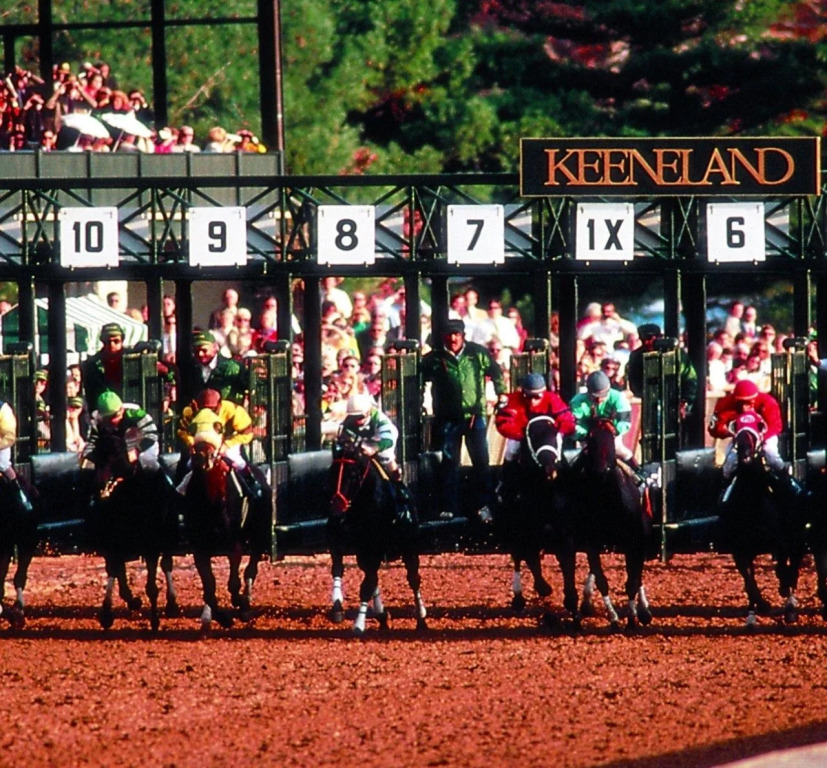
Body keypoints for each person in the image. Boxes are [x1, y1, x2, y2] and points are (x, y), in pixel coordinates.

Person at [421, 318, 507, 520]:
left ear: (463, 336)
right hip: (448, 418)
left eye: (456, 334)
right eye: (449, 335)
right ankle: (449, 508)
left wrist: (502, 393)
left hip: (474, 417)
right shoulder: (434, 359)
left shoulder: (477, 353)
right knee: (449, 463)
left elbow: (496, 372)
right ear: (443, 337)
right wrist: (418, 403)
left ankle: (485, 506)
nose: (453, 339)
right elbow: (419, 381)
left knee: (481, 462)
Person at [494, 372, 576, 520]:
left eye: (537, 397)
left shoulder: (552, 399)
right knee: (511, 449)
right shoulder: (513, 400)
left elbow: (568, 420)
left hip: (546, 437)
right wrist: (522, 435)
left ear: (544, 393)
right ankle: (505, 481)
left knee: (557, 447)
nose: (532, 401)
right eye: (528, 396)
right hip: (522, 434)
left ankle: (566, 483)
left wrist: (559, 431)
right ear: (523, 393)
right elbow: (503, 423)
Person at [708, 379, 798, 496]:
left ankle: (785, 476)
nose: (744, 407)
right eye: (741, 403)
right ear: (735, 399)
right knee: (730, 462)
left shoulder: (768, 402)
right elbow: (714, 428)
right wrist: (727, 431)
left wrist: (760, 438)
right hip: (741, 438)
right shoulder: (726, 403)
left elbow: (776, 426)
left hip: (764, 436)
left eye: (748, 403)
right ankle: (723, 488)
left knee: (770, 453)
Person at [176, 388, 263, 498]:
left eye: (211, 408)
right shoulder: (191, 411)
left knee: (235, 459)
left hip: (228, 441)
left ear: (219, 405)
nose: (207, 412)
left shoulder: (233, 411)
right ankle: (180, 491)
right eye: (203, 408)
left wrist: (227, 444)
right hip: (202, 445)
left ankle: (251, 484)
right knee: (189, 464)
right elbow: (182, 431)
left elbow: (247, 432)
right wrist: (190, 443)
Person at [569, 370, 647, 483]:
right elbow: (574, 426)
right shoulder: (577, 402)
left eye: (602, 396)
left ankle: (638, 471)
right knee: (586, 453)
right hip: (589, 436)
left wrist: (614, 431)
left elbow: (624, 422)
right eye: (595, 397)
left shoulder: (618, 398)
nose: (599, 400)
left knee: (619, 449)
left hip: (612, 434)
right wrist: (586, 434)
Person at [626, 324, 698, 420]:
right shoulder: (636, 356)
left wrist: (685, 402)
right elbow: (634, 382)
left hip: (676, 401)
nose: (647, 342)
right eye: (644, 340)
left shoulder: (676, 353)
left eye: (650, 339)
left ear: (659, 337)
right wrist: (648, 393)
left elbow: (690, 378)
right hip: (651, 405)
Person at [82, 390, 160, 474]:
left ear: (121, 409)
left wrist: (136, 450)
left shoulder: (135, 413)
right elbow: (89, 448)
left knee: (146, 459)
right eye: (108, 418)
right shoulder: (96, 422)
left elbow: (152, 434)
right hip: (116, 452)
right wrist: (101, 462)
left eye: (115, 416)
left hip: (141, 447)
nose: (113, 421)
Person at [186, 330, 249, 405]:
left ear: (216, 347)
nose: (200, 354)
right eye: (196, 351)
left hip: (227, 411)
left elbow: (249, 386)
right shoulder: (191, 368)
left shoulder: (233, 367)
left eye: (204, 350)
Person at [81, 323, 127, 414]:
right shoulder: (92, 364)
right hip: (103, 410)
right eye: (107, 342)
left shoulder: (133, 359)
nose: (112, 345)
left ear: (122, 340)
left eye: (116, 341)